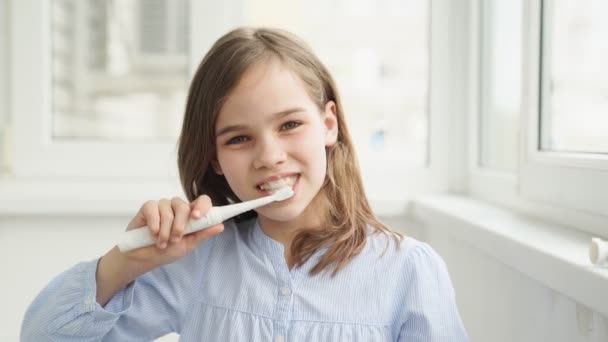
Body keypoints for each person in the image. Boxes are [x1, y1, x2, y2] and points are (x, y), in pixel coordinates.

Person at [21, 27, 468, 341]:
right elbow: (42, 337)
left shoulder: (408, 271)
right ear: (214, 158)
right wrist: (125, 263)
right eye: (239, 138)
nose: (269, 156)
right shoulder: (195, 265)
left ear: (328, 124)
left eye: (290, 124)